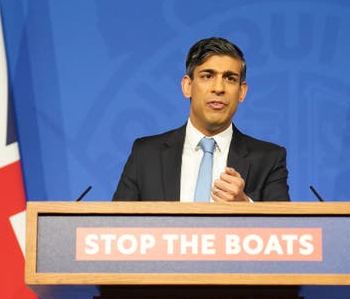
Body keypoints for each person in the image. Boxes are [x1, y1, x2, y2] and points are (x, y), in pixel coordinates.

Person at [112, 37, 290, 202]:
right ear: (187, 86)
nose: (219, 88)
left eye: (229, 78)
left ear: (241, 91)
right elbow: (116, 228)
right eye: (207, 76)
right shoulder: (145, 154)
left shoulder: (269, 159)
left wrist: (245, 205)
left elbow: (287, 232)